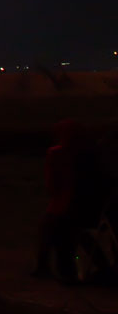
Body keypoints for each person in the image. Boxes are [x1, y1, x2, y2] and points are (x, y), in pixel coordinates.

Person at [34, 120, 108, 284]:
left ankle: (53, 269)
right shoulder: (91, 154)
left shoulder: (58, 155)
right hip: (91, 208)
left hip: (70, 209)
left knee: (55, 229)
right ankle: (100, 267)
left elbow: (53, 186)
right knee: (67, 231)